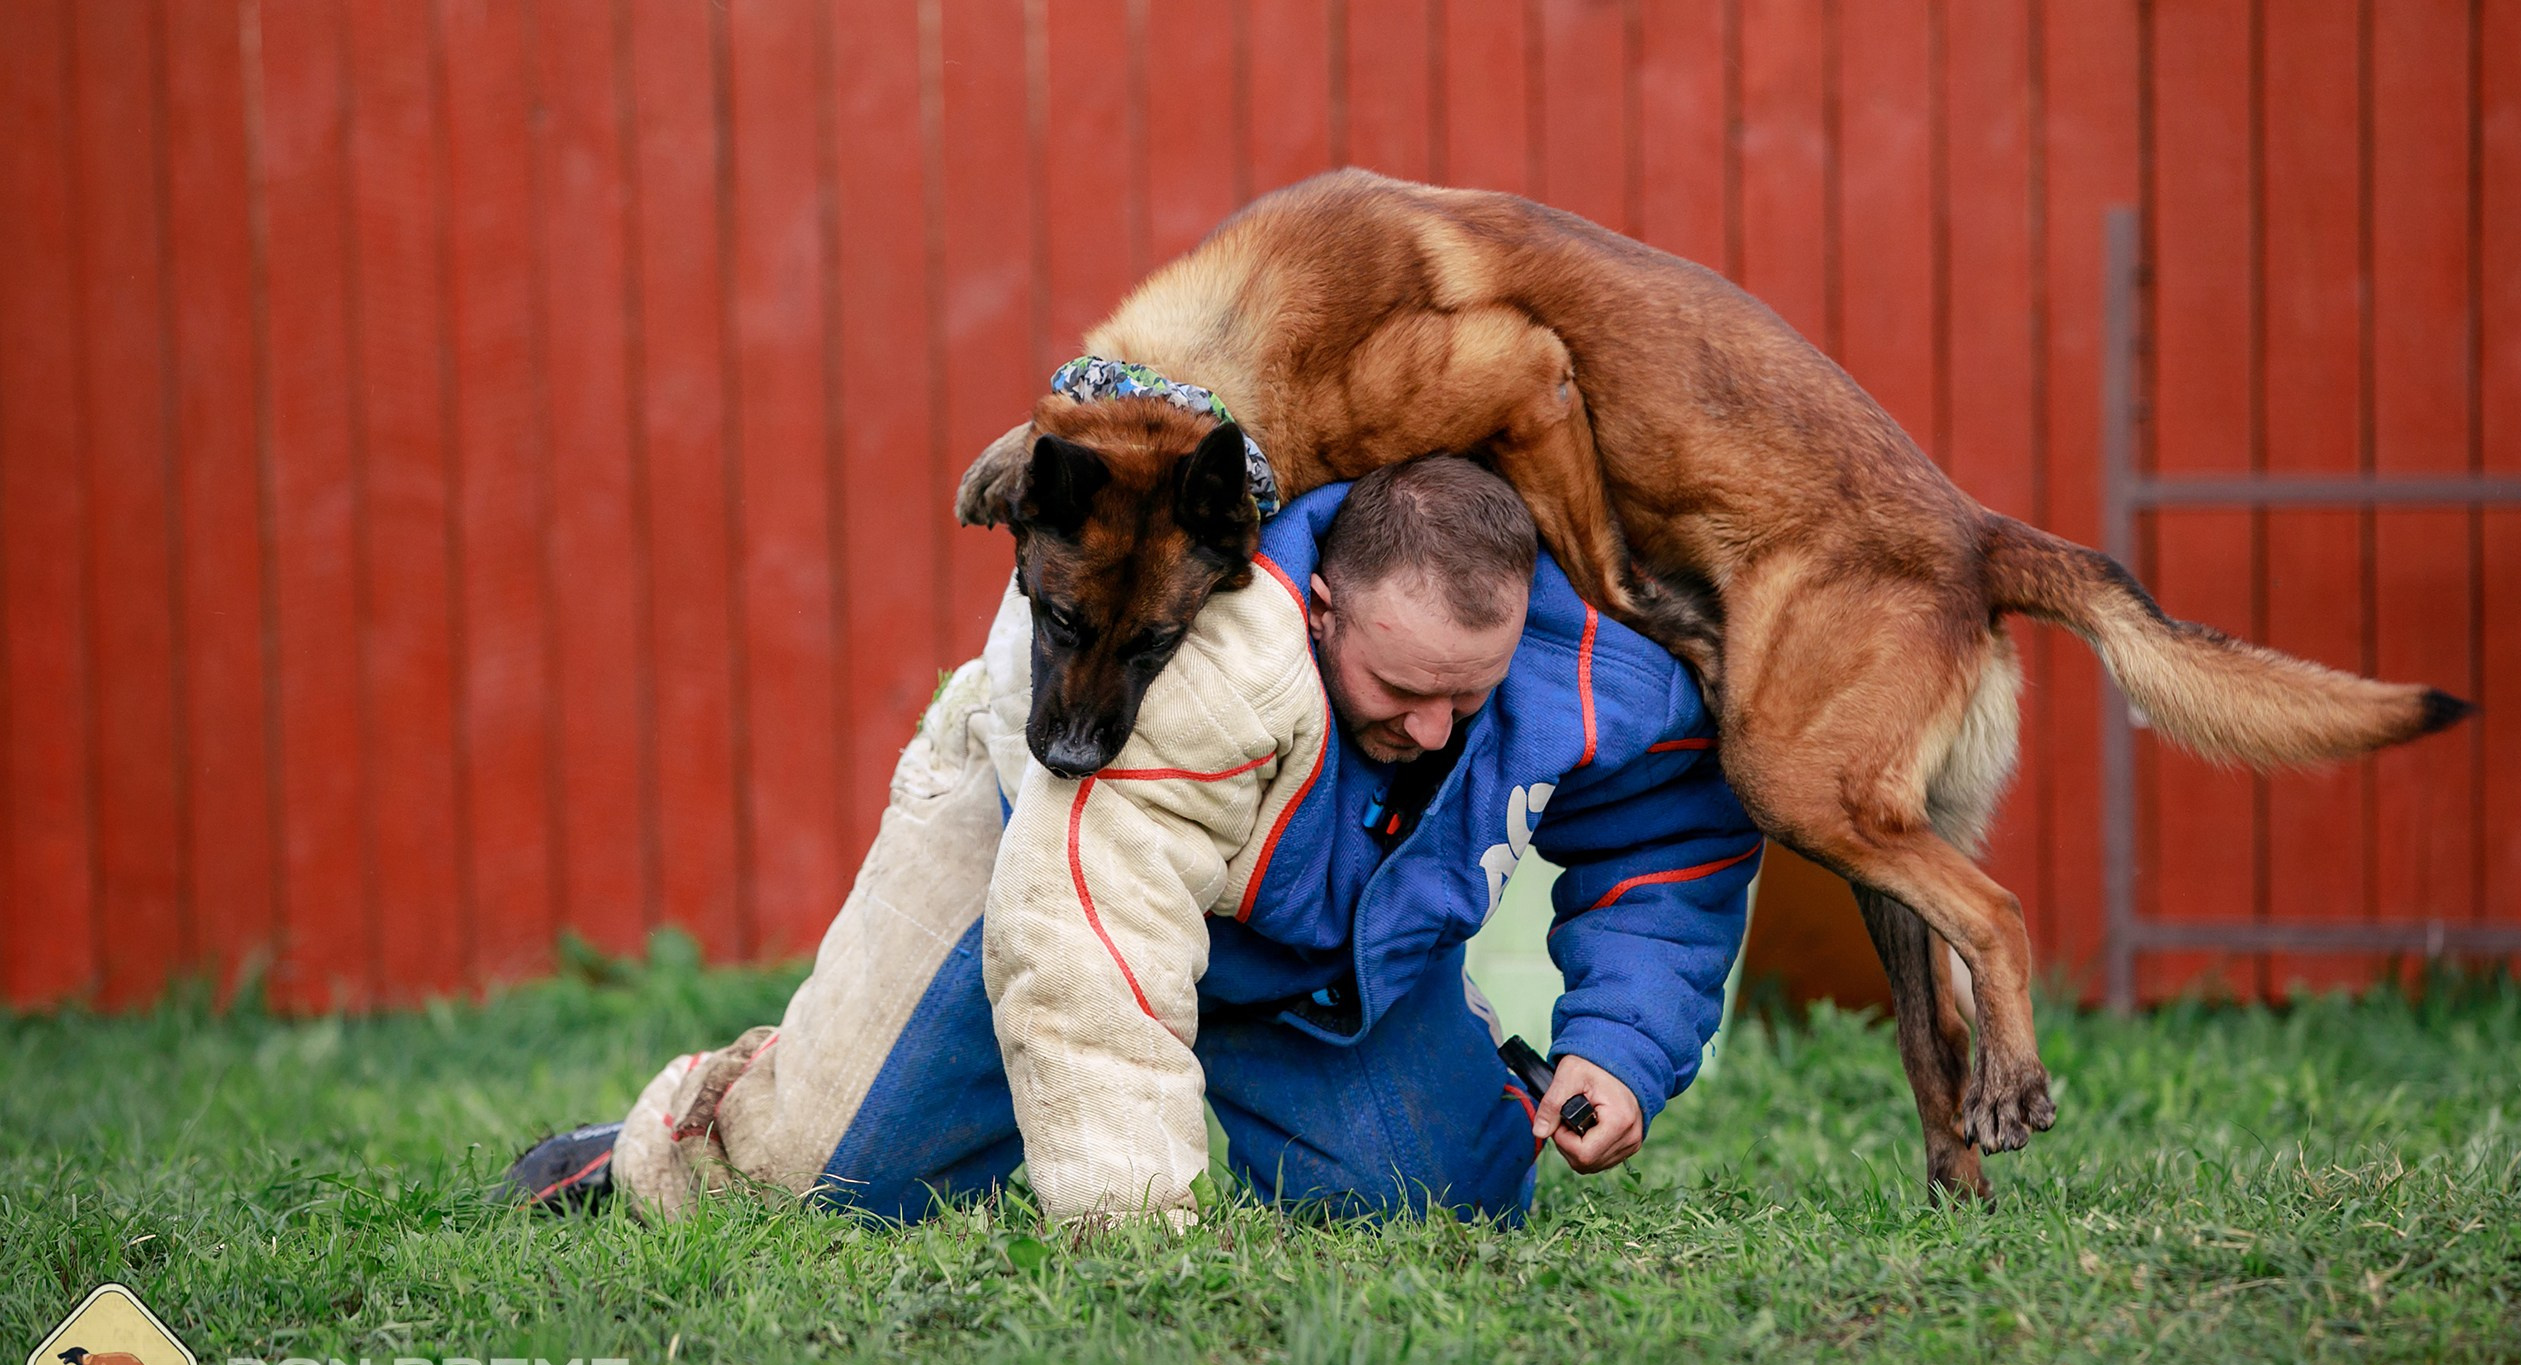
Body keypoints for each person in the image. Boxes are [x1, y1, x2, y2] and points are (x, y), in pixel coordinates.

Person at [504, 456, 1760, 1224]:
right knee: (819, 1190)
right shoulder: (1215, 670)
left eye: (1467, 700)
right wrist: (1137, 1226)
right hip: (1036, 859)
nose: (1434, 730)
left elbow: (1671, 840)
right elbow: (1091, 940)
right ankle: (665, 1146)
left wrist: (1616, 1049)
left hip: (1306, 951)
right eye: (1399, 692)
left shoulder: (1591, 661)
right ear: (1321, 609)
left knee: (1445, 1203)